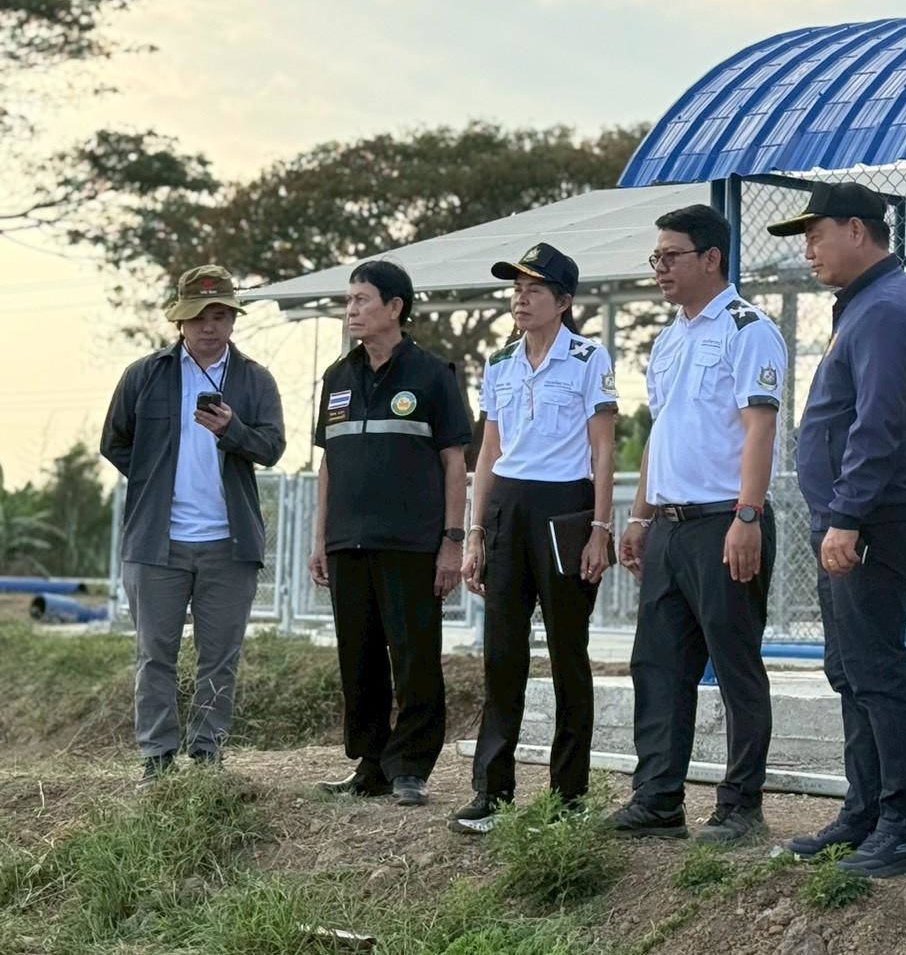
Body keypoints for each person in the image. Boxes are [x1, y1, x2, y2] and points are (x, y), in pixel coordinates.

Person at [766, 182, 906, 877]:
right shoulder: (864, 306)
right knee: (849, 671)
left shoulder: (885, 311)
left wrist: (846, 516)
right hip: (848, 517)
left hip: (871, 518)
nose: (808, 250)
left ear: (857, 231)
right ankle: (865, 811)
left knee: (876, 671)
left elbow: (877, 426)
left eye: (816, 235)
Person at [607, 203, 788, 844]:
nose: (659, 268)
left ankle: (740, 806)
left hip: (724, 523)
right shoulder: (669, 339)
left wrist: (748, 515)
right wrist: (640, 516)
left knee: (735, 666)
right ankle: (657, 800)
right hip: (670, 526)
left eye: (670, 256)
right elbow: (663, 431)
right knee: (657, 665)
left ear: (711, 258)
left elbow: (760, 428)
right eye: (655, 257)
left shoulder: (748, 329)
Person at [450, 243, 618, 833]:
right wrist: (475, 532)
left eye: (535, 290)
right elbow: (489, 452)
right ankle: (492, 793)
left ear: (563, 301)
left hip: (564, 509)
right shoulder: (500, 363)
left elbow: (603, 449)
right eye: (516, 289)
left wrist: (599, 529)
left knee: (568, 653)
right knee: (502, 654)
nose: (521, 299)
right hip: (507, 509)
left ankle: (568, 798)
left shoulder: (589, 358)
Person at [101, 266, 286, 782]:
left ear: (233, 320)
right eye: (199, 316)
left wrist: (233, 430)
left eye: (220, 315)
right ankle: (157, 758)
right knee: (154, 654)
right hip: (156, 542)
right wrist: (154, 481)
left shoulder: (255, 379)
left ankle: (207, 755)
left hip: (229, 541)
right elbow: (114, 441)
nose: (210, 326)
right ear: (179, 320)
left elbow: (272, 447)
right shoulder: (145, 374)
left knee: (219, 658)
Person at [309, 260, 472, 806]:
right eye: (349, 300)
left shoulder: (433, 375)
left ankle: (411, 768)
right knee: (359, 660)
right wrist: (320, 540)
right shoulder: (337, 376)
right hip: (347, 542)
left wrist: (452, 541)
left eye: (361, 300)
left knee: (414, 657)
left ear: (395, 307)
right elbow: (328, 462)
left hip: (411, 543)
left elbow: (454, 463)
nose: (351, 310)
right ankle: (371, 765)